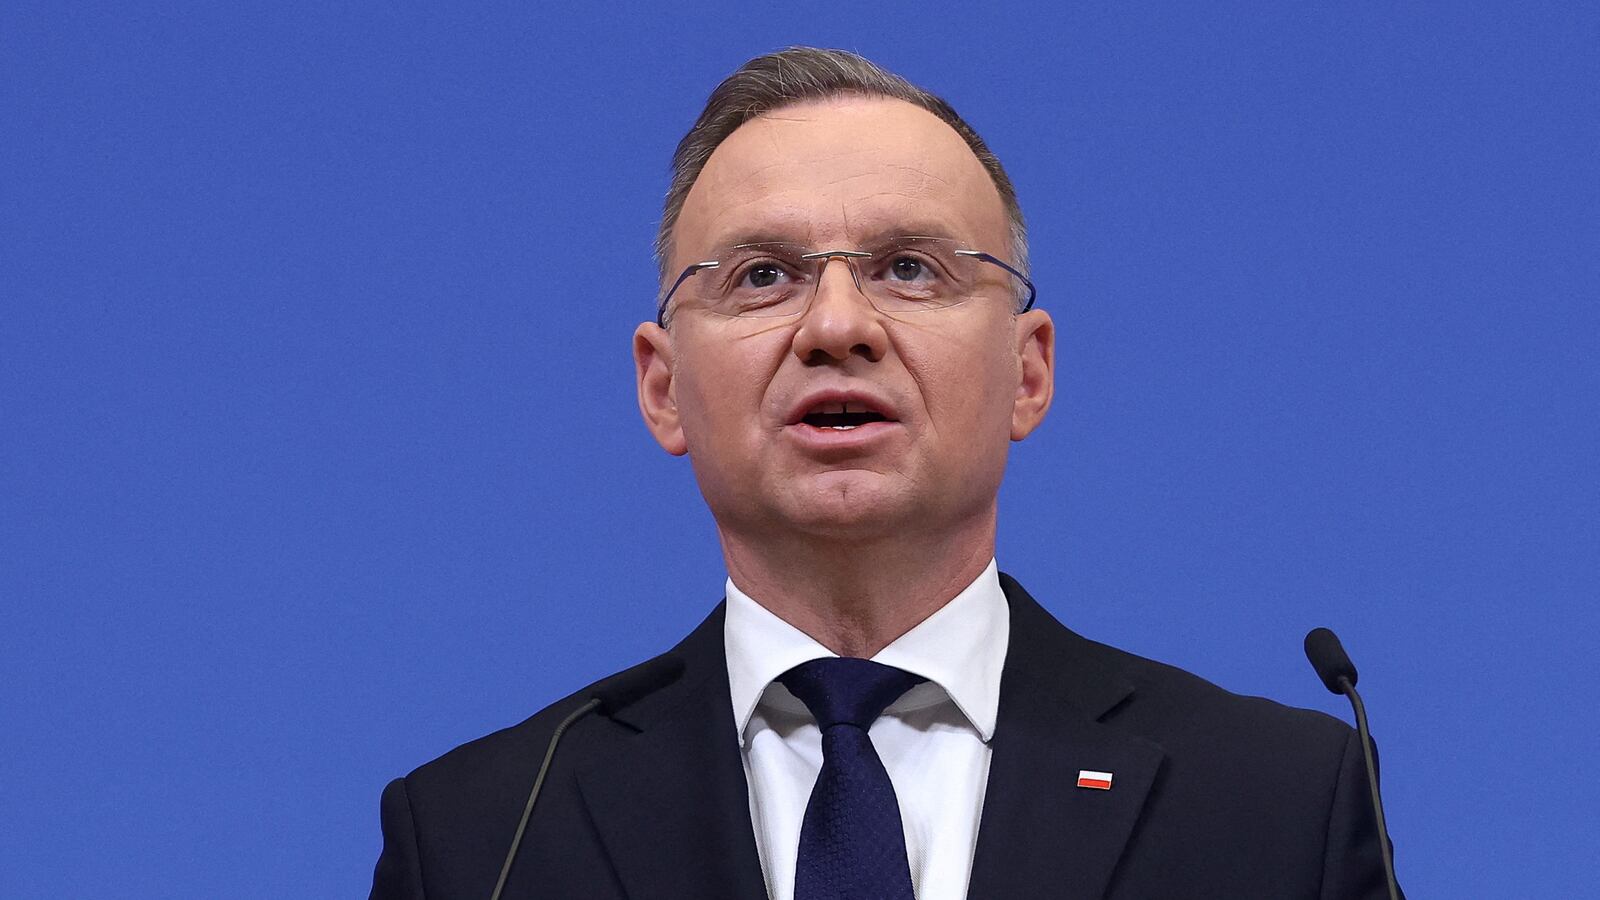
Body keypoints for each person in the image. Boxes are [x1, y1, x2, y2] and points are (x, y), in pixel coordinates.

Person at [369, 47, 1398, 899]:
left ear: (1028, 373)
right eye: (762, 275)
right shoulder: (483, 838)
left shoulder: (1272, 803)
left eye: (910, 268)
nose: (836, 325)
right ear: (663, 387)